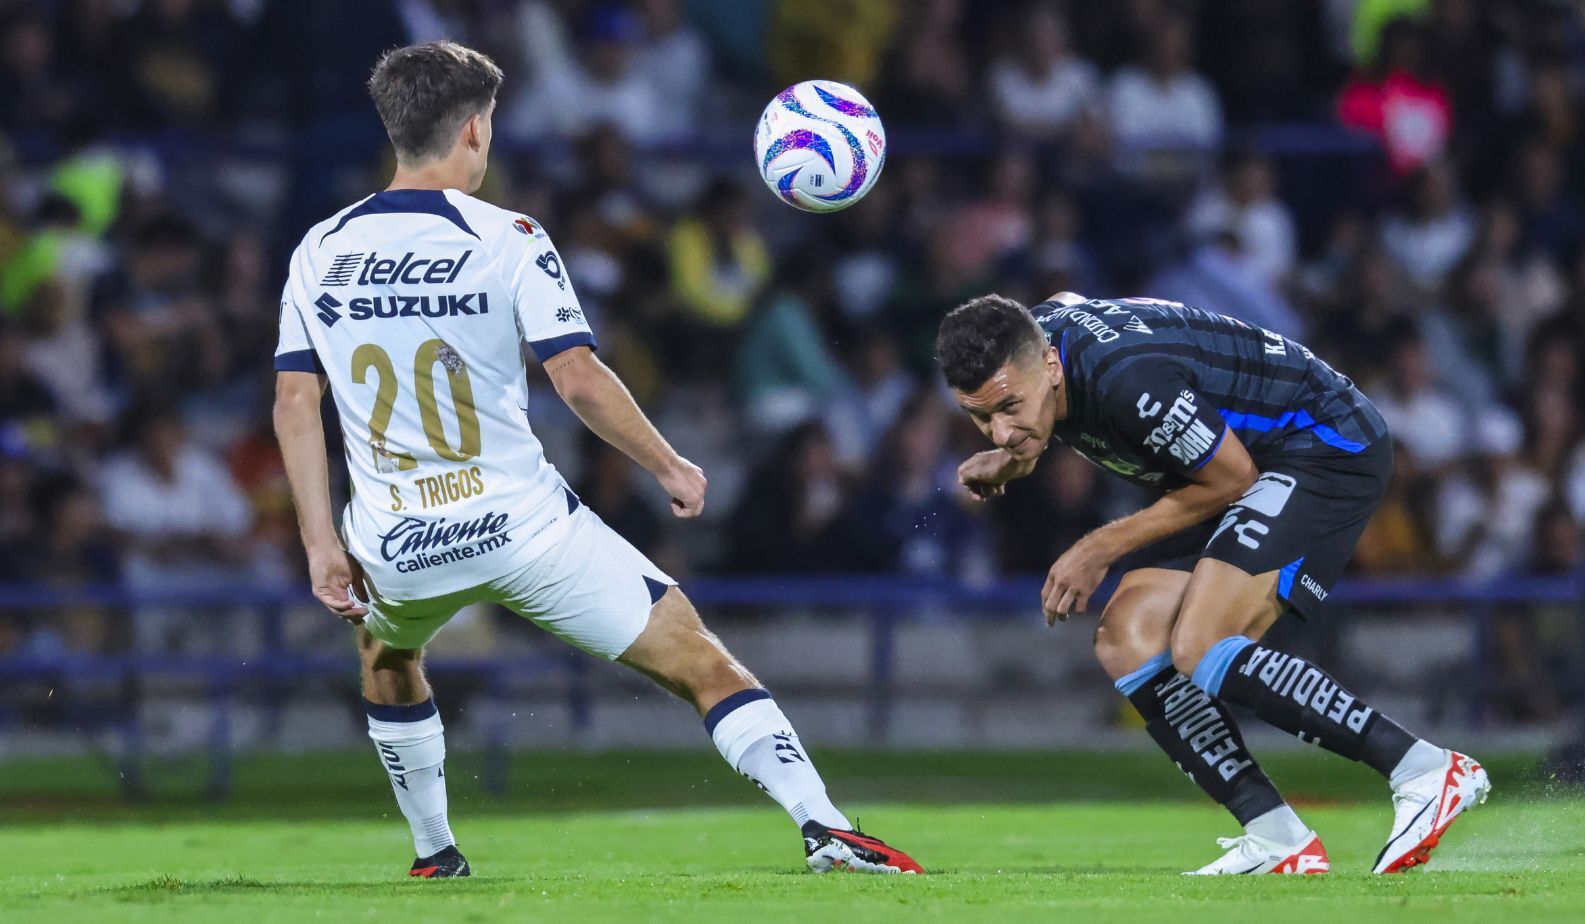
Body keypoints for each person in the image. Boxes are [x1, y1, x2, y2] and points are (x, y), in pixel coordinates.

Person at [271, 42, 919, 879]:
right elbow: (575, 376)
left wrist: (322, 545)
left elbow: (295, 403)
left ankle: (435, 853)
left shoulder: (319, 248)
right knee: (696, 658)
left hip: (397, 539)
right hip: (523, 527)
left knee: (389, 658)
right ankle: (825, 826)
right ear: (473, 130)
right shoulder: (508, 236)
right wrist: (669, 465)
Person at [934, 292, 1489, 875]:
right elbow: (1066, 301)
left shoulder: (1129, 382)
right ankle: (1277, 838)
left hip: (1319, 448)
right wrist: (1021, 456)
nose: (997, 432)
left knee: (1201, 643)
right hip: (1235, 465)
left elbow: (1232, 480)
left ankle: (1421, 767)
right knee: (1128, 638)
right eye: (979, 416)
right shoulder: (1038, 344)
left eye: (1009, 407)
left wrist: (1098, 546)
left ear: (1051, 367)